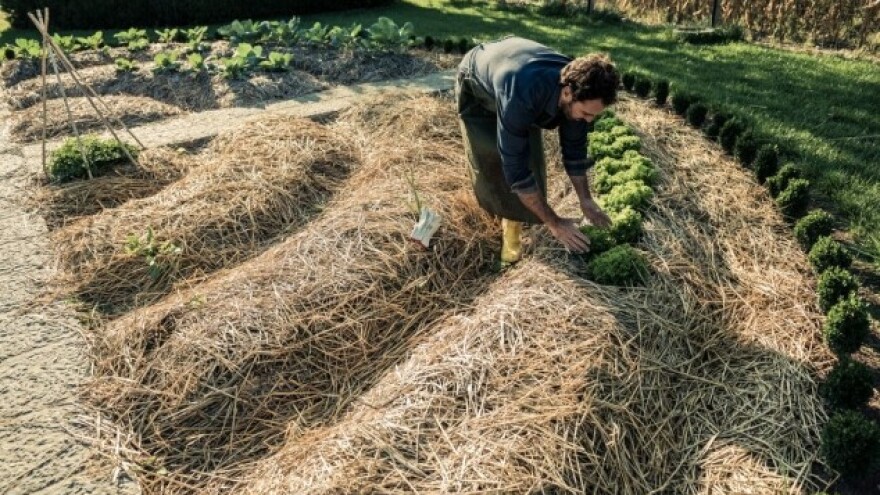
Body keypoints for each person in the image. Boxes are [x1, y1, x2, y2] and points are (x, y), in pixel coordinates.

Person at [455, 36, 620, 263]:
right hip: (478, 82)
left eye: (594, 115)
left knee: (530, 155)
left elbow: (574, 151)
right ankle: (506, 219)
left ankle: (516, 216)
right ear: (567, 93)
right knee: (492, 156)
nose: (589, 120)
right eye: (586, 113)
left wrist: (586, 199)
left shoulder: (578, 88)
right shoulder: (522, 94)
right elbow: (516, 170)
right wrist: (555, 223)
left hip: (517, 71)